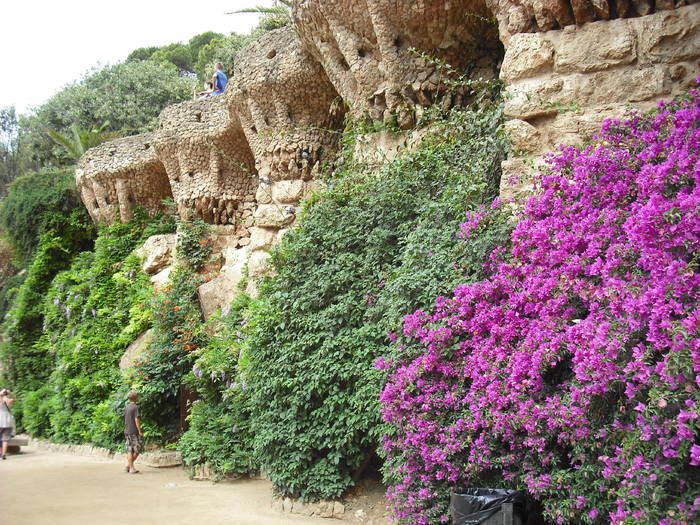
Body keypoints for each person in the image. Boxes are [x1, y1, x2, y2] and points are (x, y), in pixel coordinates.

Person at [124, 390, 143, 474]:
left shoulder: (127, 407)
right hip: (134, 431)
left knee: (129, 449)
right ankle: (130, 467)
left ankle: (129, 466)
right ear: (136, 398)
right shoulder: (135, 407)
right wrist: (139, 431)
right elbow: (136, 419)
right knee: (138, 449)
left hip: (127, 431)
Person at [0, 388, 16, 460]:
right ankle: (3, 454)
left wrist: (2, 393)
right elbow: (14, 399)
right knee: (5, 439)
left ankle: (0, 452)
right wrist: (10, 393)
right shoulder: (9, 400)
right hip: (8, 420)